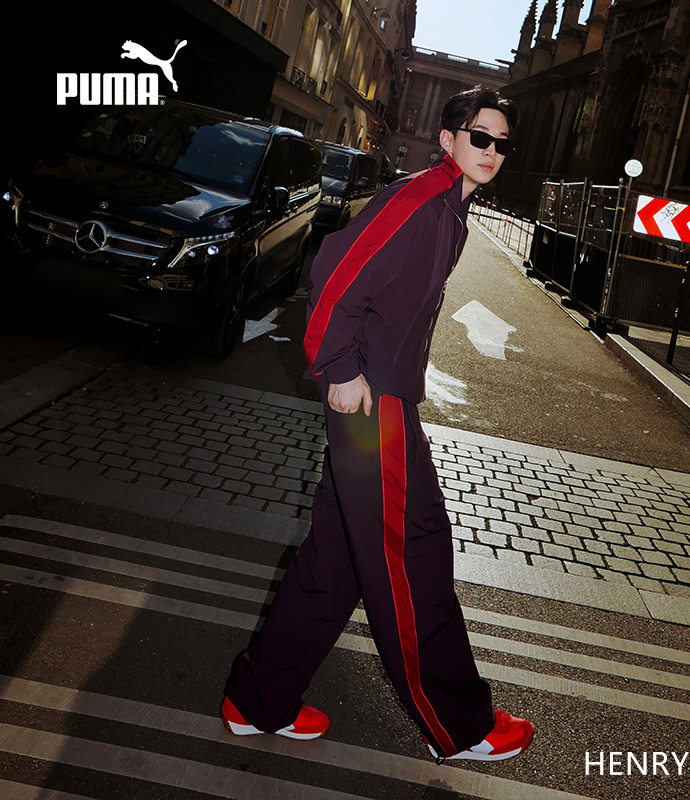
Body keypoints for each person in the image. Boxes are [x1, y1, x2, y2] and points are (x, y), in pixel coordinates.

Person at [221, 86, 534, 763]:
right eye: (480, 137)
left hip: (385, 399)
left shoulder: (451, 209)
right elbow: (336, 270)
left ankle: (258, 701)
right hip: (374, 406)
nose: (491, 151)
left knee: (333, 560)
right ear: (449, 138)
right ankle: (458, 725)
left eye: (502, 144)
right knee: (413, 553)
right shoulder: (421, 199)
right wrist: (337, 367)